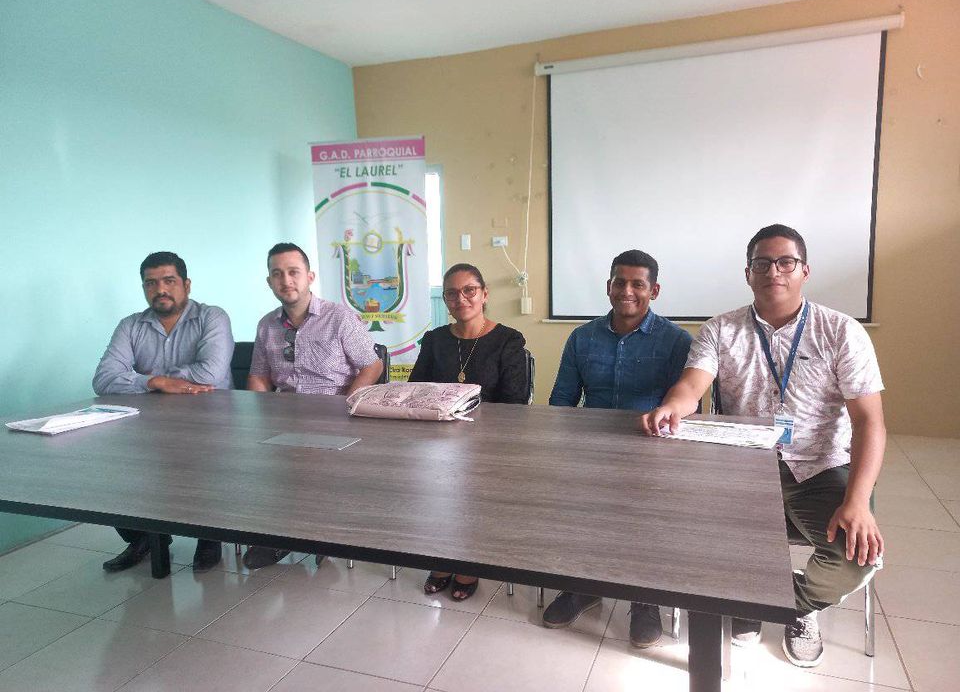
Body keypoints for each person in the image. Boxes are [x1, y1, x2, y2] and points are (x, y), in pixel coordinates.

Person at [639, 224, 885, 668]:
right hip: (742, 468)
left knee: (856, 557)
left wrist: (858, 502)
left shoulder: (841, 331)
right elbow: (692, 386)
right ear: (748, 273)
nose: (774, 271)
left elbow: (870, 422)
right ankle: (750, 595)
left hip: (820, 467)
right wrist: (673, 406)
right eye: (762, 263)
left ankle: (788, 605)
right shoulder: (720, 330)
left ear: (804, 270)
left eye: (785, 262)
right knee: (679, 528)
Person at [544, 249, 692, 647]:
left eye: (637, 284)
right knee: (576, 509)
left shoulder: (677, 341)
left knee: (644, 515)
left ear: (654, 291)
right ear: (608, 287)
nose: (627, 291)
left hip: (650, 451)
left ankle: (644, 598)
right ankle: (582, 586)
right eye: (619, 282)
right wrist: (558, 450)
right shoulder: (582, 337)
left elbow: (684, 405)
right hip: (589, 447)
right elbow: (562, 400)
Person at [242, 242, 383, 569]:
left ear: (310, 277)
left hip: (333, 417)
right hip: (283, 417)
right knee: (257, 463)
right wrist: (255, 417)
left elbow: (371, 366)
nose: (286, 280)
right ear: (269, 281)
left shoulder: (339, 317)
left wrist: (346, 405)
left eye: (293, 272)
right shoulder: (266, 325)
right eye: (277, 274)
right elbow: (259, 375)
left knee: (313, 467)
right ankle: (280, 535)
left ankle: (316, 532)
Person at [93, 251, 234, 573]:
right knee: (110, 466)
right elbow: (103, 379)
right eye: (151, 283)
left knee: (202, 465)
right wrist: (155, 382)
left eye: (169, 281)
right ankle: (143, 537)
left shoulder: (212, 317)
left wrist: (143, 380)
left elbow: (210, 374)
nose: (160, 289)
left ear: (186, 284)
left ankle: (209, 537)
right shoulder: (130, 325)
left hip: (210, 421)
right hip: (148, 425)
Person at [410, 263, 527, 600]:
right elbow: (418, 390)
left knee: (473, 491)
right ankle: (441, 557)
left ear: (484, 294)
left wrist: (473, 434)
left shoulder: (508, 340)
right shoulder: (435, 340)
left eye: (469, 291)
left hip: (489, 442)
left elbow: (515, 401)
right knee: (434, 492)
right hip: (440, 439)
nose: (460, 299)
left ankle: (469, 561)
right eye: (451, 293)